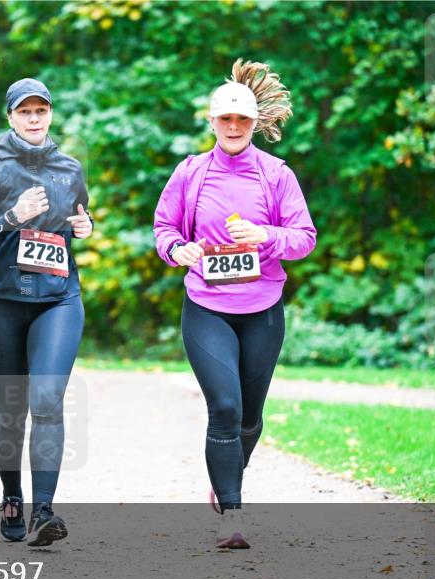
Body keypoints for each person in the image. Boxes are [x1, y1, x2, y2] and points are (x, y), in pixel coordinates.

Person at [153, 59, 316, 549]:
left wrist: (264, 234)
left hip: (263, 308)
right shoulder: (191, 173)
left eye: (241, 120)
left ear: (253, 124)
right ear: (212, 123)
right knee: (224, 408)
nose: (233, 127)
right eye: (224, 119)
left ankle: (224, 482)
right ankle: (233, 515)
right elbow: (165, 229)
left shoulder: (276, 175)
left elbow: (304, 237)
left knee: (249, 418)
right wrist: (177, 250)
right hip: (207, 305)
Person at [0, 78, 93, 547]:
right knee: (11, 409)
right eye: (25, 112)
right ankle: (12, 495)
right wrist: (12, 217)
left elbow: (76, 221)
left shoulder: (70, 168)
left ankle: (44, 511)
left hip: (59, 299)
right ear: (10, 117)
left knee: (47, 401)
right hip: (2, 303)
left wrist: (85, 224)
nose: (34, 119)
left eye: (42, 111)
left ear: (50, 115)